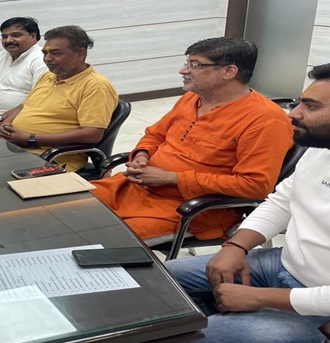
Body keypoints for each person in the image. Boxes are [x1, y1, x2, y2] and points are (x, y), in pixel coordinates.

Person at [170, 63, 330, 343]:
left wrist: (260, 298)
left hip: (322, 308)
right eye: (299, 102)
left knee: (203, 338)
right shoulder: (321, 148)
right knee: (163, 280)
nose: (294, 113)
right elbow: (281, 202)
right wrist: (235, 246)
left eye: (310, 106)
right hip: (285, 265)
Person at [90, 37, 293, 240]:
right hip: (133, 188)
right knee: (72, 207)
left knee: (95, 239)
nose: (183, 70)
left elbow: (255, 185)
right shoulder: (192, 97)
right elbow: (155, 135)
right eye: (187, 63)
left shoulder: (265, 119)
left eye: (195, 65)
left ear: (229, 71)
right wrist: (142, 156)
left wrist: (172, 178)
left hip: (188, 209)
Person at [0, 25, 118, 172]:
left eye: (56, 53)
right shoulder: (48, 76)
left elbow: (92, 134)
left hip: (52, 158)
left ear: (80, 53)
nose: (47, 59)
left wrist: (31, 139)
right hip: (17, 149)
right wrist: (6, 123)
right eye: (45, 53)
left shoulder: (95, 86)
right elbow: (24, 106)